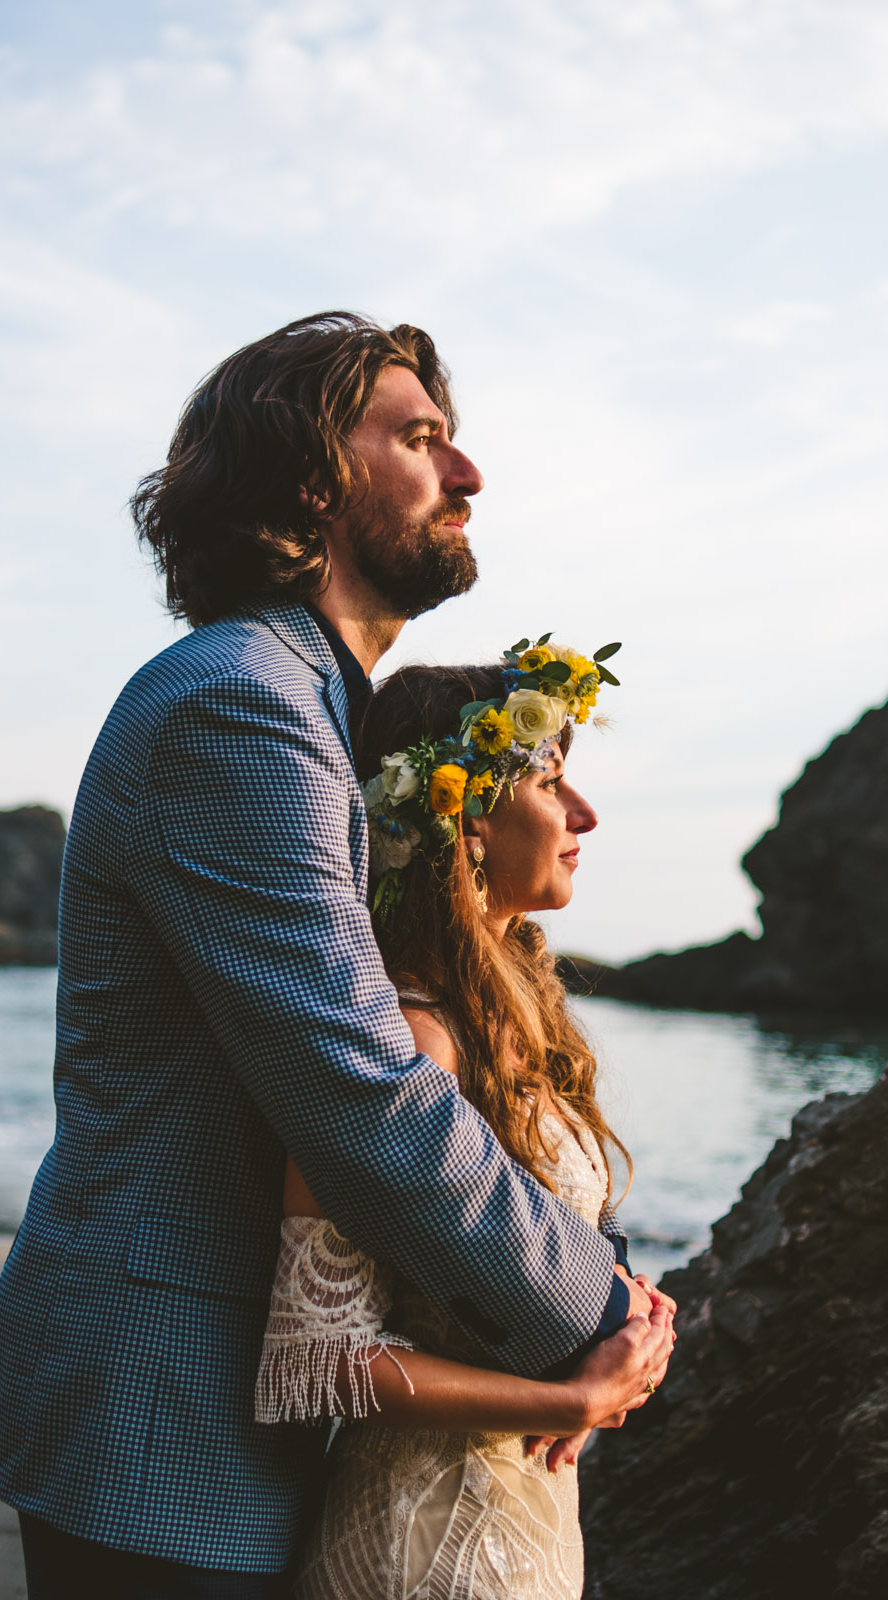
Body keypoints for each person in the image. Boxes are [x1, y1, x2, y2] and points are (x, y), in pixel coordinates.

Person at [0, 313, 672, 1597]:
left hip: (236, 1400)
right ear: (308, 482)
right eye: (421, 438)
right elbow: (359, 1085)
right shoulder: (243, 703)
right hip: (159, 1398)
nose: (469, 475)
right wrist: (599, 1304)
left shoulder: (314, 715)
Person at [259, 650, 666, 1599]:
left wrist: (638, 1312)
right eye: (551, 780)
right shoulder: (407, 1045)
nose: (585, 815)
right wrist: (570, 1397)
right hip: (427, 1545)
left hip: (528, 1525)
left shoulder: (516, 1020)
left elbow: (549, 1241)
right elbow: (316, 1360)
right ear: (467, 818)